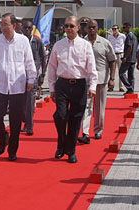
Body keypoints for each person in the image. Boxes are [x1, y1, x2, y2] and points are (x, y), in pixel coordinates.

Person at [0, 13, 37, 161]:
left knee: (15, 121)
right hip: (0, 85)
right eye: (1, 25)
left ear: (14, 26)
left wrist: (31, 79)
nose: (2, 27)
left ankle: (12, 150)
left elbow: (29, 62)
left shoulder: (23, 41)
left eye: (5, 24)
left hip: (18, 86)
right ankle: (3, 140)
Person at [48, 16, 98, 163]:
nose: (68, 28)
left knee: (75, 119)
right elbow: (51, 67)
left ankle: (70, 151)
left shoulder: (85, 45)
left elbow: (92, 68)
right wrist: (52, 88)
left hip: (79, 85)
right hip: (62, 85)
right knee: (60, 116)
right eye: (66, 26)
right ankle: (61, 145)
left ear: (77, 28)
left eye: (71, 26)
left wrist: (93, 86)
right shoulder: (58, 45)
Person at [78, 19, 116, 144]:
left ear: (97, 28)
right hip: (86, 81)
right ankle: (85, 133)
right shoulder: (81, 43)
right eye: (89, 27)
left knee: (99, 108)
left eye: (94, 27)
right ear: (86, 29)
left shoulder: (105, 43)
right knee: (86, 107)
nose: (91, 29)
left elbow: (112, 61)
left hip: (101, 80)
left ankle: (98, 130)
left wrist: (112, 78)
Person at [21, 20, 46, 136]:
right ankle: (25, 122)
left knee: (30, 102)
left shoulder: (38, 42)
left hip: (33, 76)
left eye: (29, 28)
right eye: (25, 28)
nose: (27, 30)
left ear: (32, 29)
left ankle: (29, 126)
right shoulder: (19, 42)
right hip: (20, 76)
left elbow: (43, 59)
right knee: (22, 103)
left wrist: (43, 75)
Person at [119, 22, 138, 95]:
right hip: (133, 58)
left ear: (128, 27)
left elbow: (130, 47)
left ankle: (129, 87)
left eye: (124, 27)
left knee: (121, 73)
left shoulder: (129, 36)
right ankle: (131, 90)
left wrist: (125, 58)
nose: (123, 29)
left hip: (128, 58)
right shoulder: (134, 36)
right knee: (131, 75)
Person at [107, 25, 126, 92]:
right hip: (112, 54)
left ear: (118, 29)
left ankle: (121, 86)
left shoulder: (122, 36)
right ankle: (111, 86)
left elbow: (125, 44)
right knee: (112, 71)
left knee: (121, 71)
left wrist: (125, 55)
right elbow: (108, 45)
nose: (114, 30)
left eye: (115, 29)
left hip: (120, 54)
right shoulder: (110, 36)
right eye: (113, 29)